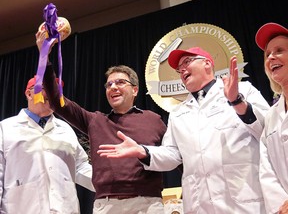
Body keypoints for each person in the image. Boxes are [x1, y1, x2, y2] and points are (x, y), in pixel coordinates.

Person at [98, 46, 271, 213]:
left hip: (244, 201)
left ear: (207, 64)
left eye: (187, 62)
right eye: (179, 69)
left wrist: (236, 101)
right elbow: (172, 155)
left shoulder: (243, 90)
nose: (182, 70)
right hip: (199, 204)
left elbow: (266, 130)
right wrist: (142, 151)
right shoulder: (178, 112)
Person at [41, 52, 167, 212]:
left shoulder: (153, 120)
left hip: (147, 204)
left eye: (120, 82)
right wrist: (44, 56)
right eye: (109, 85)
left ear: (135, 90)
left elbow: (175, 155)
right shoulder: (96, 121)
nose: (113, 87)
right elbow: (57, 102)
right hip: (107, 205)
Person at [0, 76, 94, 213]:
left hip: (65, 209)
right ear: (29, 93)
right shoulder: (5, 128)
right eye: (46, 89)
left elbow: (80, 166)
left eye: (56, 90)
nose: (52, 94)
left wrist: (112, 185)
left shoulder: (65, 128)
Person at [255, 22, 288, 214]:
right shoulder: (272, 116)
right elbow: (267, 170)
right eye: (268, 54)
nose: (271, 57)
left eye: (279, 50)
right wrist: (281, 206)